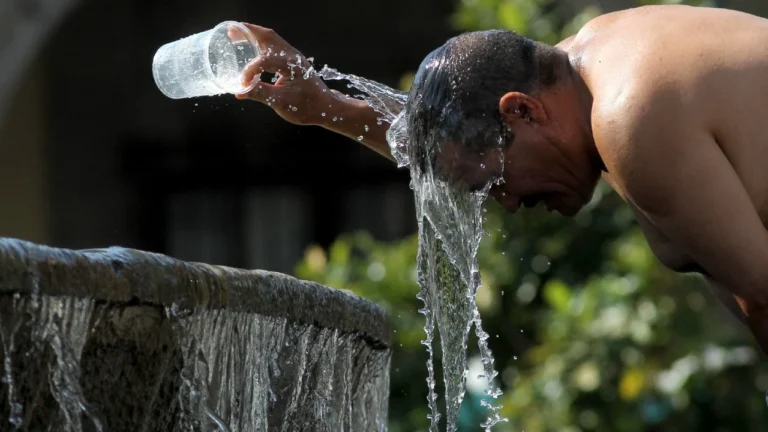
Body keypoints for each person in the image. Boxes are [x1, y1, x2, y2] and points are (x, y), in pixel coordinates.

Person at [233, 4, 768, 355]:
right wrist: (323, 105)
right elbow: (457, 140)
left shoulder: (630, 120)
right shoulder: (582, 69)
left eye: (495, 182)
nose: (508, 203)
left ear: (523, 111)